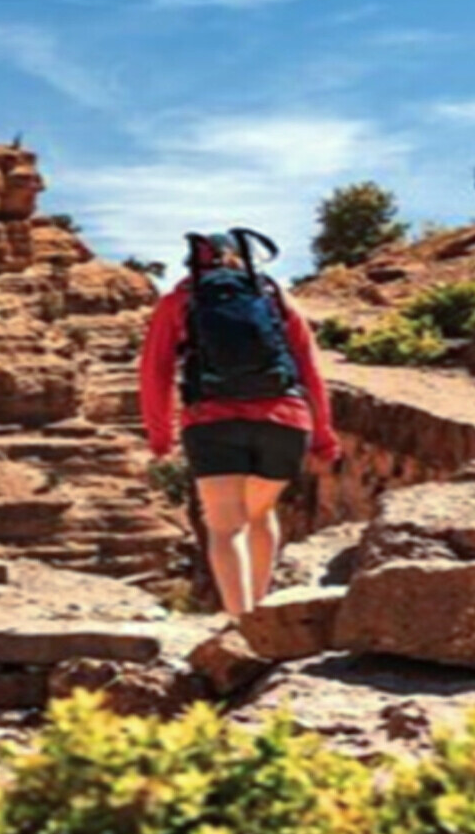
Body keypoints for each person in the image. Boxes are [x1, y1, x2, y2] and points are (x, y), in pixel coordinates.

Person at [138, 229, 339, 616]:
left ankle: (240, 624)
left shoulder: (179, 299)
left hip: (211, 421)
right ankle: (261, 616)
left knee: (226, 526)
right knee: (260, 513)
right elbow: (310, 369)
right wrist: (323, 438)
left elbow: (154, 372)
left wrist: (160, 438)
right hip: (284, 419)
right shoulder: (273, 295)